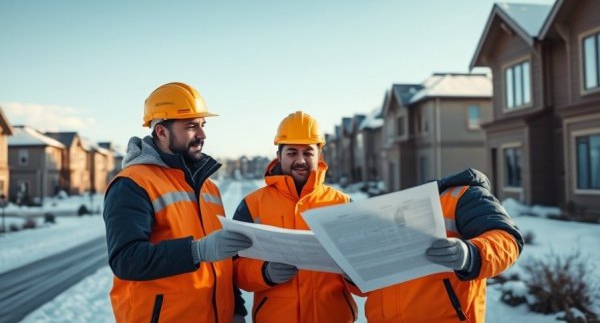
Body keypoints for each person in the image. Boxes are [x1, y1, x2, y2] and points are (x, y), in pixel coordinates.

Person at [103, 82, 253, 323]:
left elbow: (221, 261)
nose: (202, 134)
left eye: (202, 125)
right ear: (161, 132)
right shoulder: (132, 184)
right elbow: (126, 260)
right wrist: (197, 251)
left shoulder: (209, 188)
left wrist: (236, 309)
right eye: (191, 126)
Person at [349, 168, 524, 322]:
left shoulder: (465, 197)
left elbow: (507, 240)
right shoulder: (382, 213)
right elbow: (371, 286)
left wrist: (470, 254)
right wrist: (352, 273)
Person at [232, 111, 358, 323]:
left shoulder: (342, 204)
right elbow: (233, 270)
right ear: (279, 155)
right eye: (292, 152)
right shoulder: (252, 205)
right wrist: (265, 273)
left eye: (308, 152)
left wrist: (351, 273)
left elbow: (368, 274)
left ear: (319, 155)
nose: (300, 160)